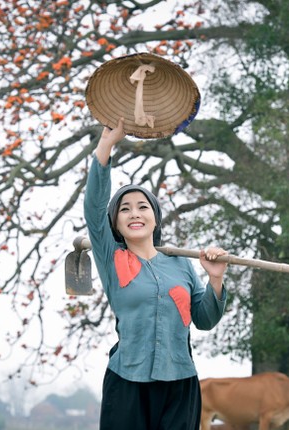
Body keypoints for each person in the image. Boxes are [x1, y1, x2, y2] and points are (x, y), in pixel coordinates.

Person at [84, 117, 229, 429]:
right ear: (116, 223)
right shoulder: (112, 259)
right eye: (124, 209)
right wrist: (106, 146)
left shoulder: (181, 263)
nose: (134, 213)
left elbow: (204, 320)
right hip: (127, 380)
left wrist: (215, 278)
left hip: (181, 383)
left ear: (155, 217)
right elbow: (94, 208)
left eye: (142, 207)